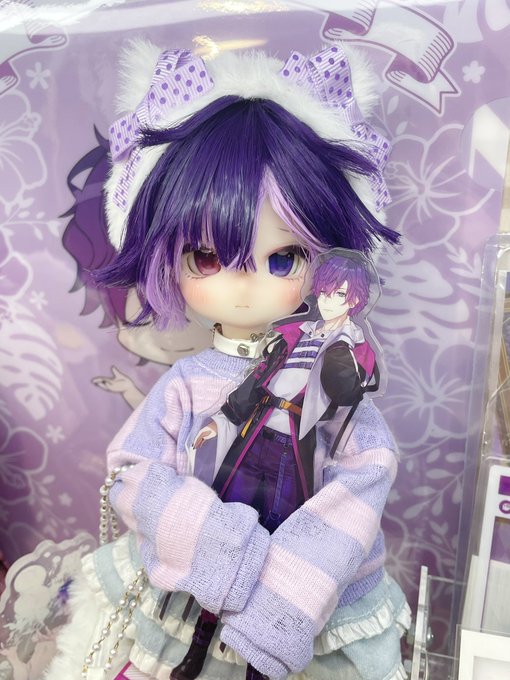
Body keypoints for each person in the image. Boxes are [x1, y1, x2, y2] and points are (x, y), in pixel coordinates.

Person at [45, 42, 409, 680]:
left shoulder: (334, 377)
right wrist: (222, 551)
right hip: (195, 594)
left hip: (310, 615)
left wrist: (282, 600)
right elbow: (134, 473)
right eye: (208, 258)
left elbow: (363, 479)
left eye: (283, 258)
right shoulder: (186, 384)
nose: (244, 285)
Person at [172, 251, 381, 680]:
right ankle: (200, 642)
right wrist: (222, 420)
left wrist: (342, 349)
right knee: (227, 540)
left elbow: (344, 392)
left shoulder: (350, 349)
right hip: (254, 442)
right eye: (327, 291)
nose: (331, 301)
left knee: (275, 557)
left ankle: (260, 665)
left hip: (293, 455)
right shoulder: (291, 334)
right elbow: (256, 383)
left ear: (356, 301)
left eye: (342, 295)